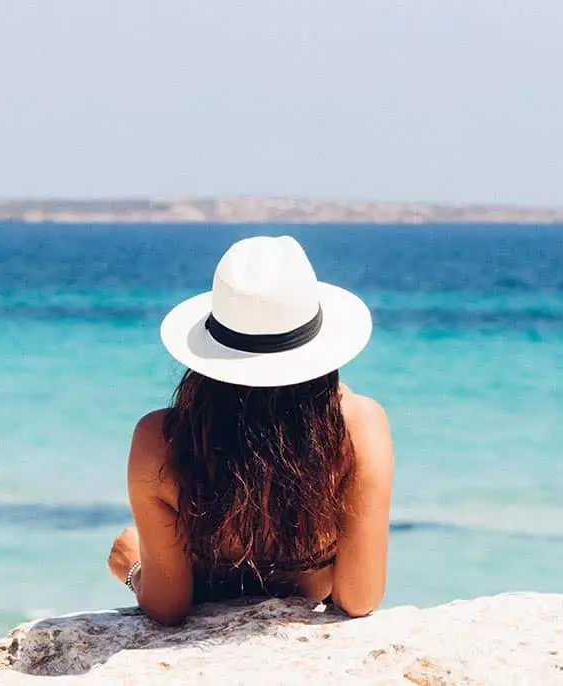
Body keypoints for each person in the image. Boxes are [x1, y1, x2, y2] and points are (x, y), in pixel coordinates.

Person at [106, 235, 395, 625]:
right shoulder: (358, 426)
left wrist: (133, 566)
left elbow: (168, 606)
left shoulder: (161, 439)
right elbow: (359, 599)